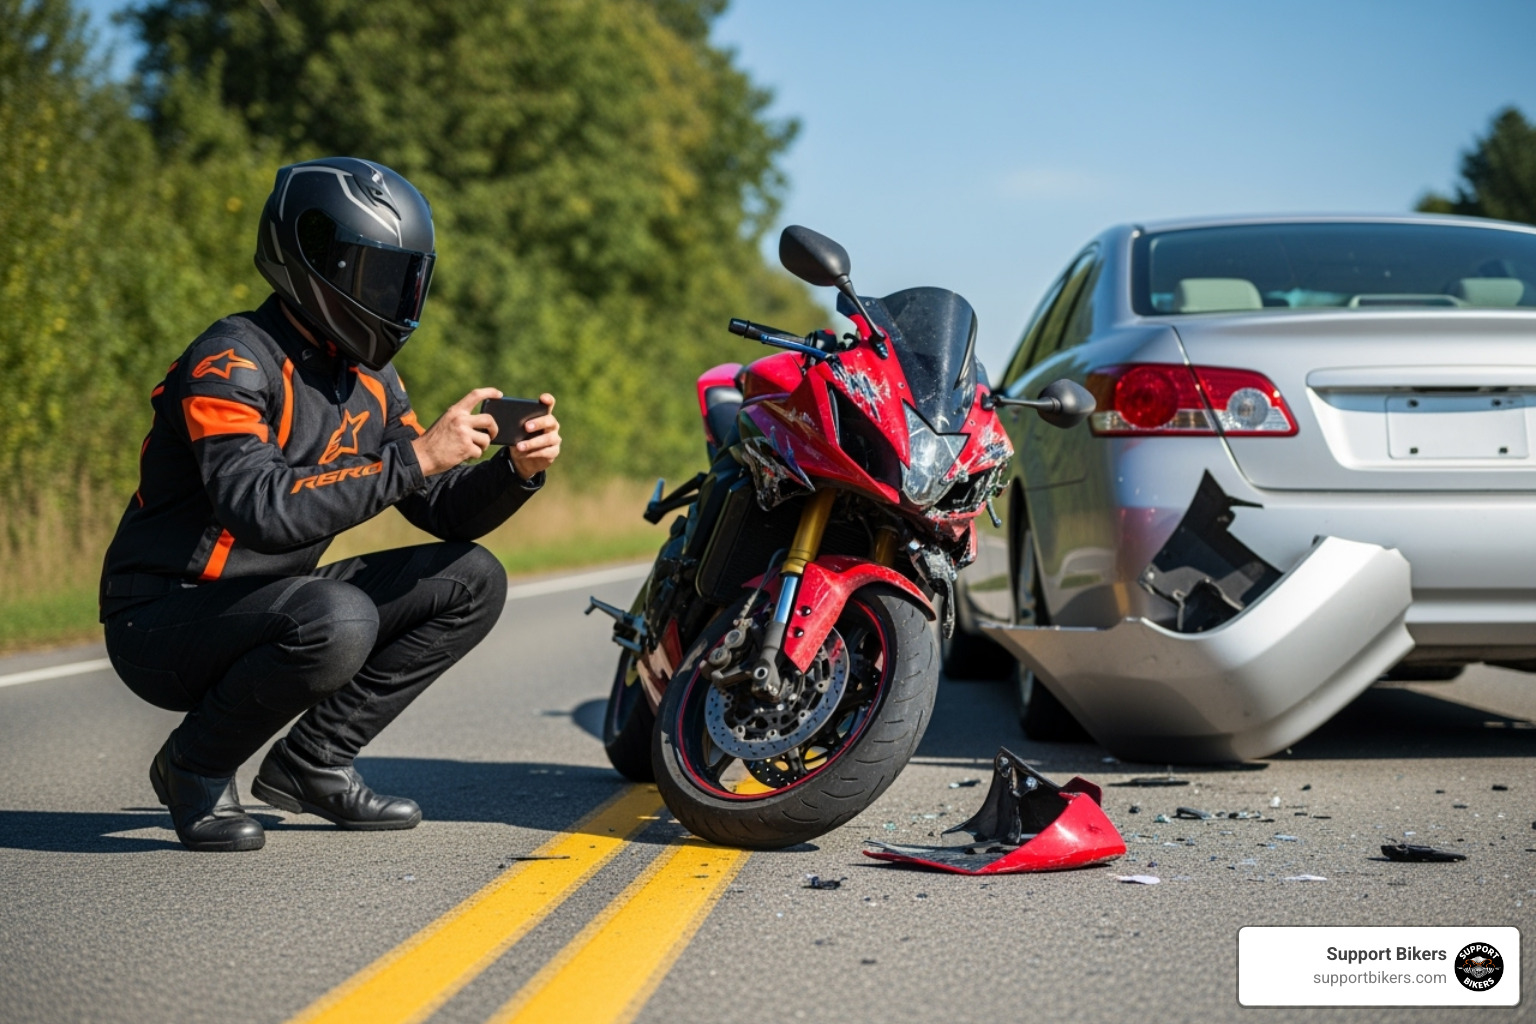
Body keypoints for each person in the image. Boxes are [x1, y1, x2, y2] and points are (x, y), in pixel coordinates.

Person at [98, 157, 561, 852]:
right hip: (163, 617)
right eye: (377, 276)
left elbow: (439, 509)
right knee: (337, 618)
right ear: (317, 264)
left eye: (406, 279)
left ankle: (314, 760)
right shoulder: (229, 362)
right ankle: (193, 765)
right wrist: (414, 457)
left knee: (473, 579)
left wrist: (512, 473)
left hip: (273, 601)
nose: (395, 297)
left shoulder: (371, 379)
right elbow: (258, 508)